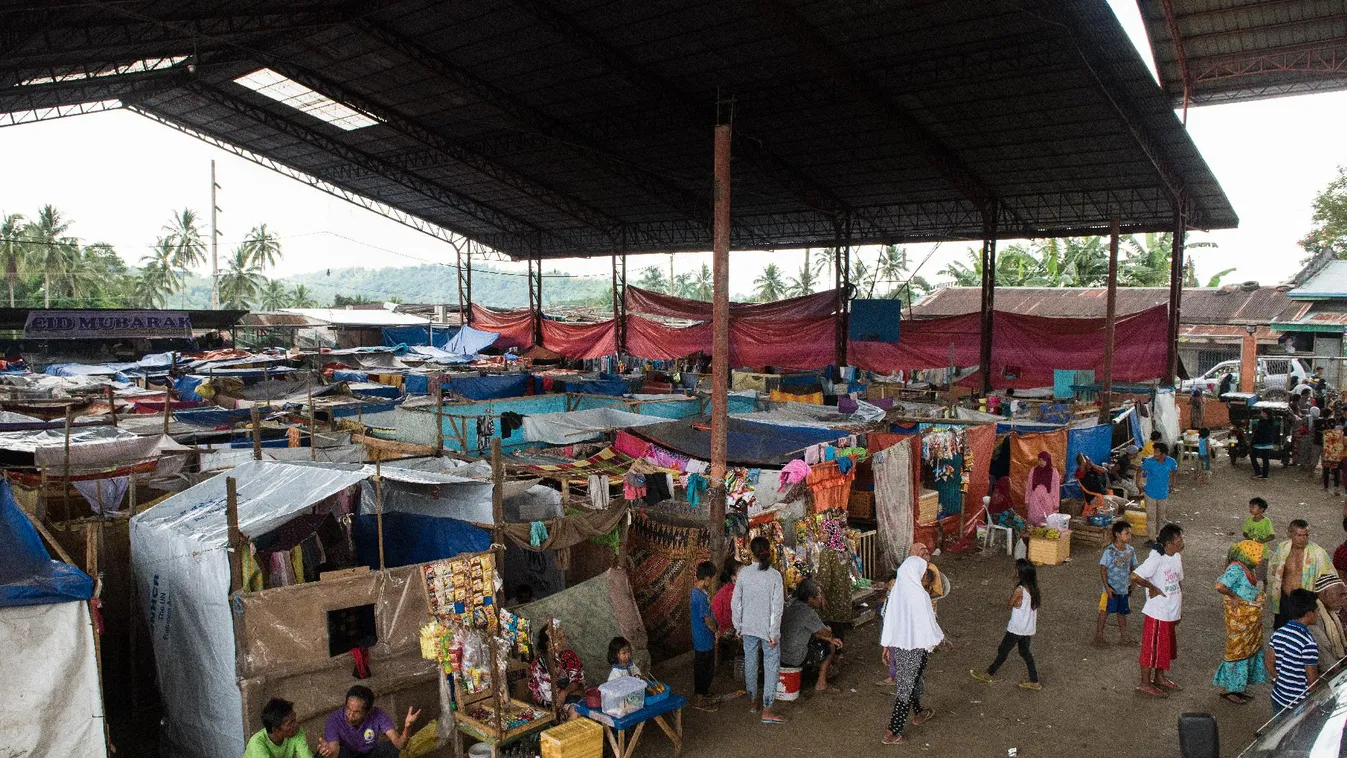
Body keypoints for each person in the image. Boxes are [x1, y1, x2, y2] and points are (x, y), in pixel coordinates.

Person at [880, 544, 943, 745]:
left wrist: (887, 645)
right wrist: (939, 640)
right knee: (906, 688)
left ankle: (919, 712)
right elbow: (928, 623)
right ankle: (892, 731)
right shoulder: (920, 595)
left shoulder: (898, 592)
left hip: (901, 645)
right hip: (915, 648)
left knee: (913, 679)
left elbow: (889, 620)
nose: (925, 577)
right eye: (923, 573)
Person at [732, 535, 786, 725]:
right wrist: (773, 633)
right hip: (767, 630)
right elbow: (777, 608)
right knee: (771, 667)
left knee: (751, 663)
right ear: (768, 551)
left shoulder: (744, 574)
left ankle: (754, 702)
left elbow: (736, 603)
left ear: (752, 553)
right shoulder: (774, 576)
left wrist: (738, 626)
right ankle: (768, 709)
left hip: (748, 627)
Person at [1212, 541, 1268, 705]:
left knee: (1247, 650)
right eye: (1255, 554)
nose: (1259, 557)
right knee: (1237, 651)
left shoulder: (1247, 567)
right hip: (1239, 621)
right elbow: (1220, 586)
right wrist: (1235, 597)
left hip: (1248, 622)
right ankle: (1231, 689)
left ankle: (1239, 687)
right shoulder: (1236, 568)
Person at [970, 559, 1042, 690]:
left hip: (1016, 627)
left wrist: (1014, 603)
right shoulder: (1034, 589)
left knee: (1003, 650)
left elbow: (1010, 604)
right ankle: (1034, 680)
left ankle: (989, 673)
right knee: (1025, 652)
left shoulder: (1019, 590)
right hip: (1027, 628)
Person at [1132, 523, 1185, 698]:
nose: (1182, 542)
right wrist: (1151, 587)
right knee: (1151, 649)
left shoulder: (1176, 556)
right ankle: (1145, 683)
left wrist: (1179, 609)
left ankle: (1160, 677)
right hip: (1158, 613)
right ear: (1168, 544)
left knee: (1164, 647)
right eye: (1178, 540)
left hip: (1171, 611)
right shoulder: (1156, 559)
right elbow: (1135, 575)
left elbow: (1178, 581)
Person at [779, 578, 844, 693]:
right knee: (830, 645)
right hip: (794, 657)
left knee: (827, 638)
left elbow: (809, 630)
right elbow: (826, 631)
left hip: (779, 655)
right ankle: (821, 682)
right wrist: (829, 636)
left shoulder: (790, 603)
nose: (820, 598)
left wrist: (826, 636)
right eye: (818, 595)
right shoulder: (807, 612)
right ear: (810, 598)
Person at [1268, 519, 1335, 629]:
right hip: (1285, 597)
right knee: (1281, 629)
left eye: (1306, 535)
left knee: (1300, 631)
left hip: (1304, 601)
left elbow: (1329, 578)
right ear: (1290, 534)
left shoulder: (1318, 553)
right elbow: (1273, 569)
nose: (1303, 539)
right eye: (1299, 535)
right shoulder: (1283, 548)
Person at [317, 686, 418, 758]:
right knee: (320, 756)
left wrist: (407, 727)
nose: (350, 715)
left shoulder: (377, 714)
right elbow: (335, 750)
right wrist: (328, 752)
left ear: (368, 711)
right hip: (348, 755)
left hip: (370, 754)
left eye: (356, 712)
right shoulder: (334, 719)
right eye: (348, 709)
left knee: (391, 747)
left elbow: (399, 744)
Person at [1267, 588, 1321, 716]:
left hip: (1278, 696)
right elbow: (1312, 681)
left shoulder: (1279, 632)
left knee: (1279, 730)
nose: (1318, 614)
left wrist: (1279, 679)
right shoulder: (1308, 643)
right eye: (1317, 611)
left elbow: (1269, 662)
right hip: (1298, 704)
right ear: (1309, 613)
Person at [1095, 521, 1138, 646]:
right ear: (1117, 534)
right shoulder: (1109, 551)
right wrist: (1107, 587)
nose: (1130, 536)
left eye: (1130, 533)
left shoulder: (1130, 550)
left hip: (1123, 588)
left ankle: (1124, 637)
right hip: (1111, 588)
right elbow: (1103, 568)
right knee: (1104, 611)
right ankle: (1098, 636)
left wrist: (1133, 583)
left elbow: (1132, 568)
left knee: (1122, 612)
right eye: (1127, 533)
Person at [528, 622, 586, 713]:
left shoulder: (569, 656)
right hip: (549, 706)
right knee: (575, 712)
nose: (563, 641)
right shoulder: (539, 664)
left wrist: (565, 692)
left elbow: (577, 680)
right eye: (559, 638)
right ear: (548, 643)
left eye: (563, 637)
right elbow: (548, 696)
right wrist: (572, 691)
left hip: (569, 698)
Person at [689, 560, 718, 710]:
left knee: (706, 666)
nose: (711, 582)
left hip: (703, 637)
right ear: (706, 578)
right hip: (703, 638)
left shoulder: (698, 593)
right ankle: (699, 699)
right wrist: (716, 631)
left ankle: (703, 692)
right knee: (703, 667)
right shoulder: (699, 596)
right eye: (711, 579)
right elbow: (707, 619)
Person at [245, 698, 313, 758]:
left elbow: (305, 755)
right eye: (290, 723)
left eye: (294, 720)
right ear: (276, 730)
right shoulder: (257, 743)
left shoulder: (296, 732)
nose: (296, 724)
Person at [1139, 443, 1178, 540]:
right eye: (1154, 452)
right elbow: (1139, 470)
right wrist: (1138, 484)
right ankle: (1152, 539)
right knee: (1151, 517)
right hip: (1150, 493)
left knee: (1161, 517)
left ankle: (1160, 536)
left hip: (1163, 493)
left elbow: (1174, 471)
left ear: (1163, 454)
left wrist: (1172, 484)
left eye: (1157, 452)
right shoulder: (1148, 462)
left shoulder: (1171, 461)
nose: (1155, 454)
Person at [1310, 574, 1347, 670]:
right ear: (1324, 594)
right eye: (1341, 594)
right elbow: (1325, 656)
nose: (1344, 598)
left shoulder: (1332, 612)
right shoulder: (1313, 616)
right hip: (1326, 672)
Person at [1025, 451, 1060, 526]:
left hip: (1048, 500)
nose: (1041, 462)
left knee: (1046, 520)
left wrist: (1056, 503)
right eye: (1040, 460)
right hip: (1035, 499)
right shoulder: (1033, 471)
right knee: (1034, 519)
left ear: (1048, 460)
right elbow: (1029, 486)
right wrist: (1027, 500)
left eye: (1044, 460)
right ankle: (1034, 537)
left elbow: (1056, 488)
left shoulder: (1053, 472)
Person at [711, 558, 741, 636]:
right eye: (742, 572)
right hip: (732, 634)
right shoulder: (728, 593)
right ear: (733, 577)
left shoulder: (734, 590)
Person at [1251, 409, 1277, 480]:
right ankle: (1265, 475)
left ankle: (1258, 472)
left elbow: (1258, 433)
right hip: (1268, 443)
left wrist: (1253, 442)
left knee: (1252, 456)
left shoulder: (1262, 422)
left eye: (1262, 412)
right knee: (1265, 459)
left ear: (1265, 414)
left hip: (1260, 443)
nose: (1261, 413)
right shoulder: (1272, 422)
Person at [1324, 421, 1346, 495]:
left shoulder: (1327, 435)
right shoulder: (1343, 437)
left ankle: (1326, 487)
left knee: (1327, 470)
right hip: (1337, 457)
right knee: (1336, 472)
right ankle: (1336, 487)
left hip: (1328, 455)